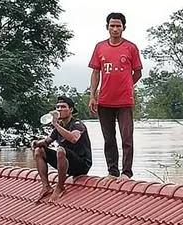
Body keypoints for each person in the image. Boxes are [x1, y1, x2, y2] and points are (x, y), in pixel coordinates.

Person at [88, 12, 143, 180]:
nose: (115, 29)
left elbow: (138, 72)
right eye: (112, 25)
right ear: (107, 27)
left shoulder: (131, 48)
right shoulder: (100, 47)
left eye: (118, 26)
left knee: (127, 138)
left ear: (123, 28)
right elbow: (95, 72)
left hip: (124, 101)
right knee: (109, 139)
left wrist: (127, 85)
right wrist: (93, 95)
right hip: (104, 100)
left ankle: (126, 172)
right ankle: (112, 171)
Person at [31, 96, 93, 202]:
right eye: (58, 107)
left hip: (81, 164)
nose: (59, 109)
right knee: (39, 151)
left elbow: (74, 138)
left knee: (60, 150)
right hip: (65, 161)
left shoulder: (77, 124)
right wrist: (36, 143)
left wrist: (56, 125)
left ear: (71, 110)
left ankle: (60, 187)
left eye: (63, 107)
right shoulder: (59, 127)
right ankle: (46, 186)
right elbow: (47, 142)